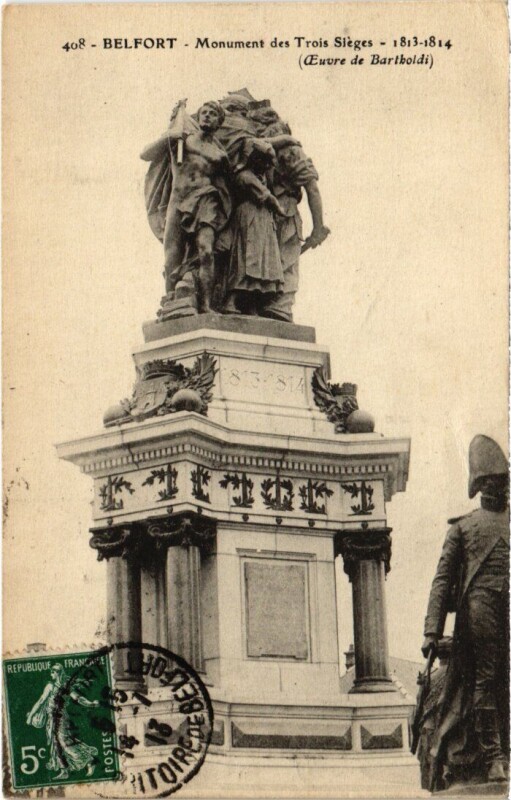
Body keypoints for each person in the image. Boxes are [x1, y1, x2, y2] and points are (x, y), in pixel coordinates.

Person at [421, 435, 509, 790]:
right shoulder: (462, 527)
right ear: (480, 486)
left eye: (503, 480)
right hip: (481, 611)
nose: (499, 487)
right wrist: (431, 631)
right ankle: (493, 759)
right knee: (485, 681)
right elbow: (442, 582)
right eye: (492, 481)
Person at [141, 100, 231, 313]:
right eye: (204, 113)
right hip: (179, 200)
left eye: (212, 114)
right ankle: (171, 302)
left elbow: (230, 186)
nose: (207, 116)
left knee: (206, 251)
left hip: (205, 201)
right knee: (171, 255)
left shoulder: (220, 156)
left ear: (219, 122)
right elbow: (145, 154)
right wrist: (168, 137)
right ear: (198, 118)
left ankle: (206, 305)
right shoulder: (183, 140)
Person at [248, 102, 330, 322]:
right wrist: (318, 227)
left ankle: (270, 306)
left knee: (271, 263)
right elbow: (312, 188)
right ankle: (279, 307)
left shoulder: (254, 148)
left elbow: (311, 187)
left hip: (264, 213)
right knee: (286, 263)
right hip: (283, 212)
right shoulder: (292, 150)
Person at [26, 664, 100, 781]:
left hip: (61, 719)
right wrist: (30, 716)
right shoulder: (50, 686)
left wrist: (90, 704)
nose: (51, 674)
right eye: (51, 672)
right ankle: (64, 770)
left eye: (53, 672)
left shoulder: (67, 687)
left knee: (64, 743)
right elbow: (41, 701)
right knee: (56, 745)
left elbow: (78, 698)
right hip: (51, 719)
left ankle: (89, 760)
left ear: (58, 673)